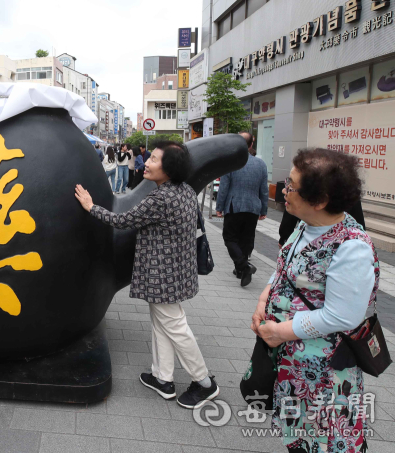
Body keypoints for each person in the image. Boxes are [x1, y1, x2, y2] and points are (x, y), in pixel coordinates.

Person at [251, 148, 378, 453]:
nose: (284, 191)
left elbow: (343, 316)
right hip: (293, 361)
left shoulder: (352, 247)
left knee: (324, 440)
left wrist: (280, 332)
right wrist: (263, 298)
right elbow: (285, 268)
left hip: (323, 370)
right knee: (298, 435)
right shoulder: (305, 224)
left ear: (319, 201)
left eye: (291, 186)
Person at [75, 141, 219, 409]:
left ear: (169, 168)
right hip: (176, 272)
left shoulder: (159, 199)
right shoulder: (184, 190)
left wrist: (90, 206)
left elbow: (122, 221)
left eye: (154, 159)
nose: (148, 163)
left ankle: (204, 382)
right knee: (162, 323)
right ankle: (162, 378)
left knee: (175, 327)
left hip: (162, 276)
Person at [216, 132, 268, 287]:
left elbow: (223, 188)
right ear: (251, 145)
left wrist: (219, 207)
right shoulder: (261, 164)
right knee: (247, 238)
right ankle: (240, 270)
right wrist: (264, 209)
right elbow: (264, 190)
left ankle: (244, 267)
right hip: (253, 207)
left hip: (234, 205)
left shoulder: (231, 163)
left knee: (230, 237)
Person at [279, 199, 366, 246]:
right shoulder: (303, 227)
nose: (285, 190)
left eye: (292, 187)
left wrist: (284, 237)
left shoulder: (354, 249)